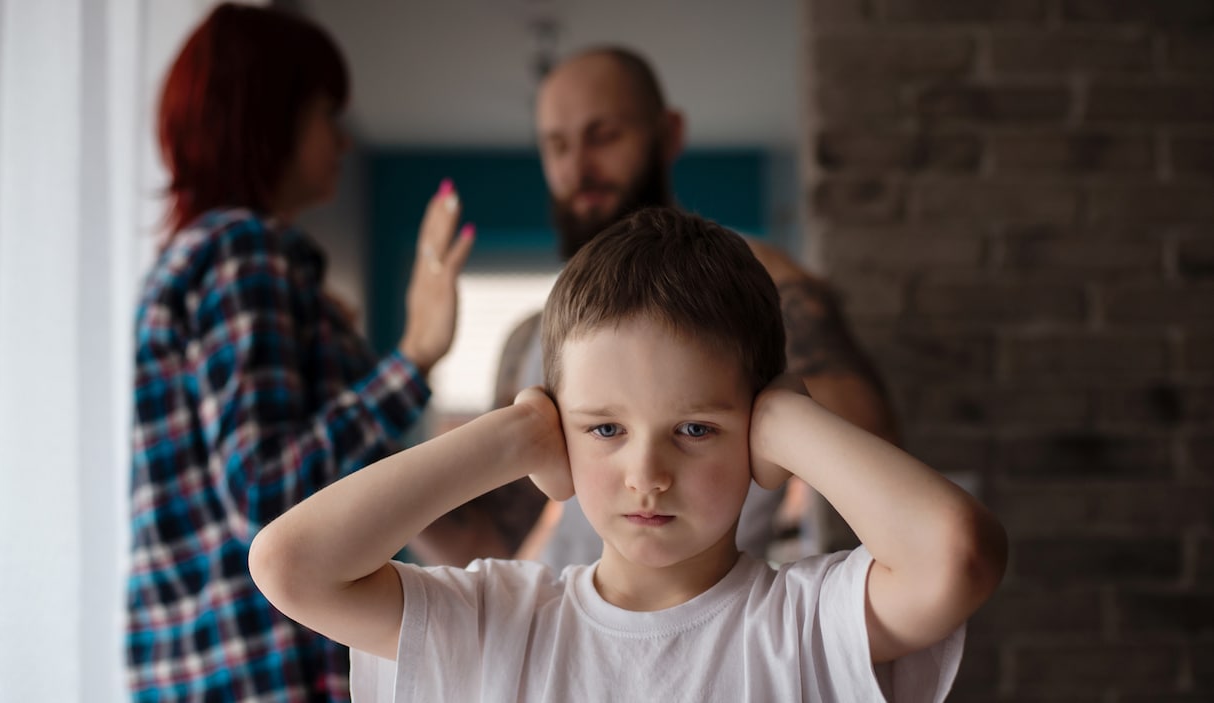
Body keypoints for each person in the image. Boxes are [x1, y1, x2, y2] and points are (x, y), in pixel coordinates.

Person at [250, 208, 1007, 701]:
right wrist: (513, 438)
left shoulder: (805, 624)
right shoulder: (500, 624)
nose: (647, 474)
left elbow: (959, 553)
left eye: (697, 428)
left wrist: (787, 421)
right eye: (604, 429)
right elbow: (290, 563)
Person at [125, 5, 473, 701]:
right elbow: (265, 493)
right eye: (325, 114)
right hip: (262, 668)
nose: (343, 141)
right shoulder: (243, 252)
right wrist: (412, 360)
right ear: (269, 119)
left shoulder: (203, 255)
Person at [441, 46, 898, 569]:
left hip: (718, 622)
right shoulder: (531, 338)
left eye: (604, 136)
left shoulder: (761, 290)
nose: (578, 169)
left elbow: (872, 445)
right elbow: (496, 545)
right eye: (557, 145)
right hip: (570, 629)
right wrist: (408, 370)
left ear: (669, 134)